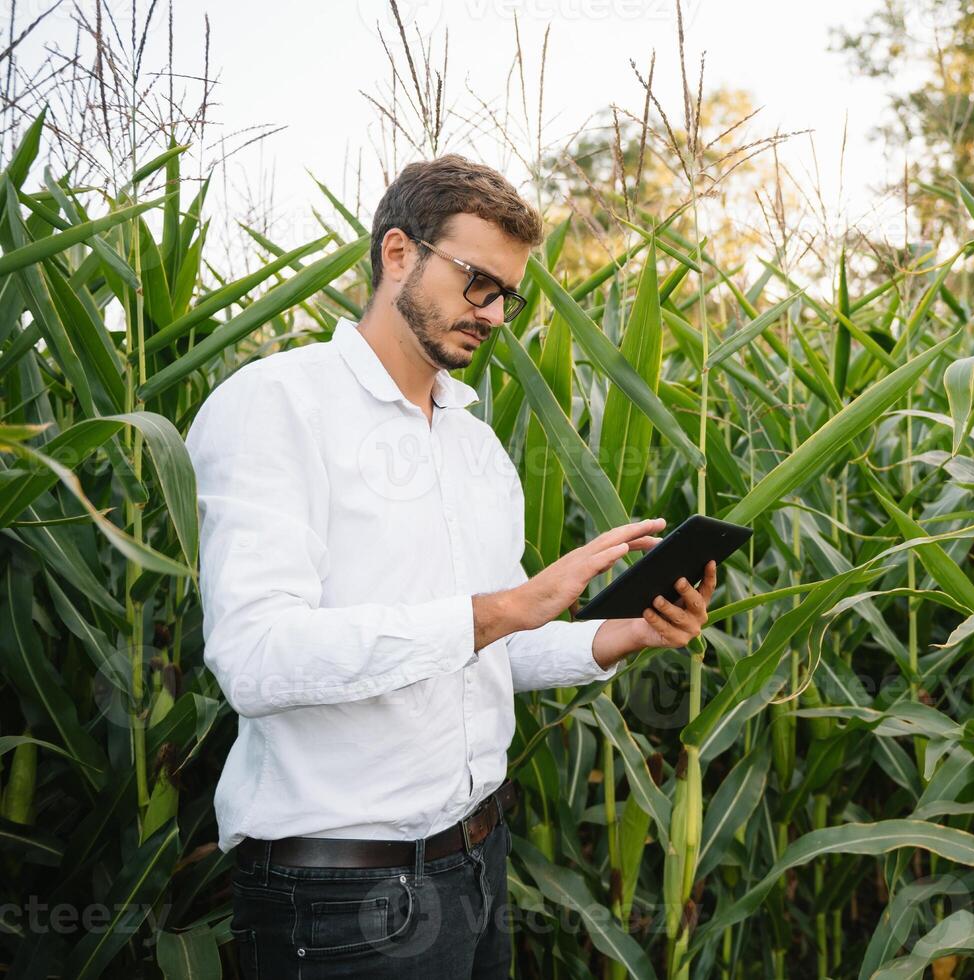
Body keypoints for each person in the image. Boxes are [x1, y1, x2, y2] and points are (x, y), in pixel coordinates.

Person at [185, 153, 718, 979]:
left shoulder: (474, 445)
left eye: (508, 293)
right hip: (340, 900)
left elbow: (480, 653)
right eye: (478, 282)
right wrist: (503, 608)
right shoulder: (276, 407)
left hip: (477, 865)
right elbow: (256, 660)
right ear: (398, 254)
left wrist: (620, 635)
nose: (496, 313)